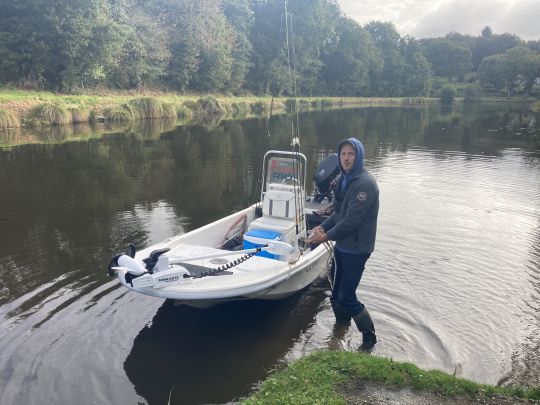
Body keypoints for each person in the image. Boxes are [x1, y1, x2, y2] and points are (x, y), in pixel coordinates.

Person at [308, 137, 379, 350]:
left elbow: (351, 221)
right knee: (336, 295)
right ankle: (341, 326)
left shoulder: (365, 184)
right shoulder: (342, 179)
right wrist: (323, 227)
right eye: (343, 154)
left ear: (358, 157)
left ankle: (369, 340)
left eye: (351, 154)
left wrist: (324, 236)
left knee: (347, 298)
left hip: (357, 249)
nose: (346, 158)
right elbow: (338, 214)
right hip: (342, 246)